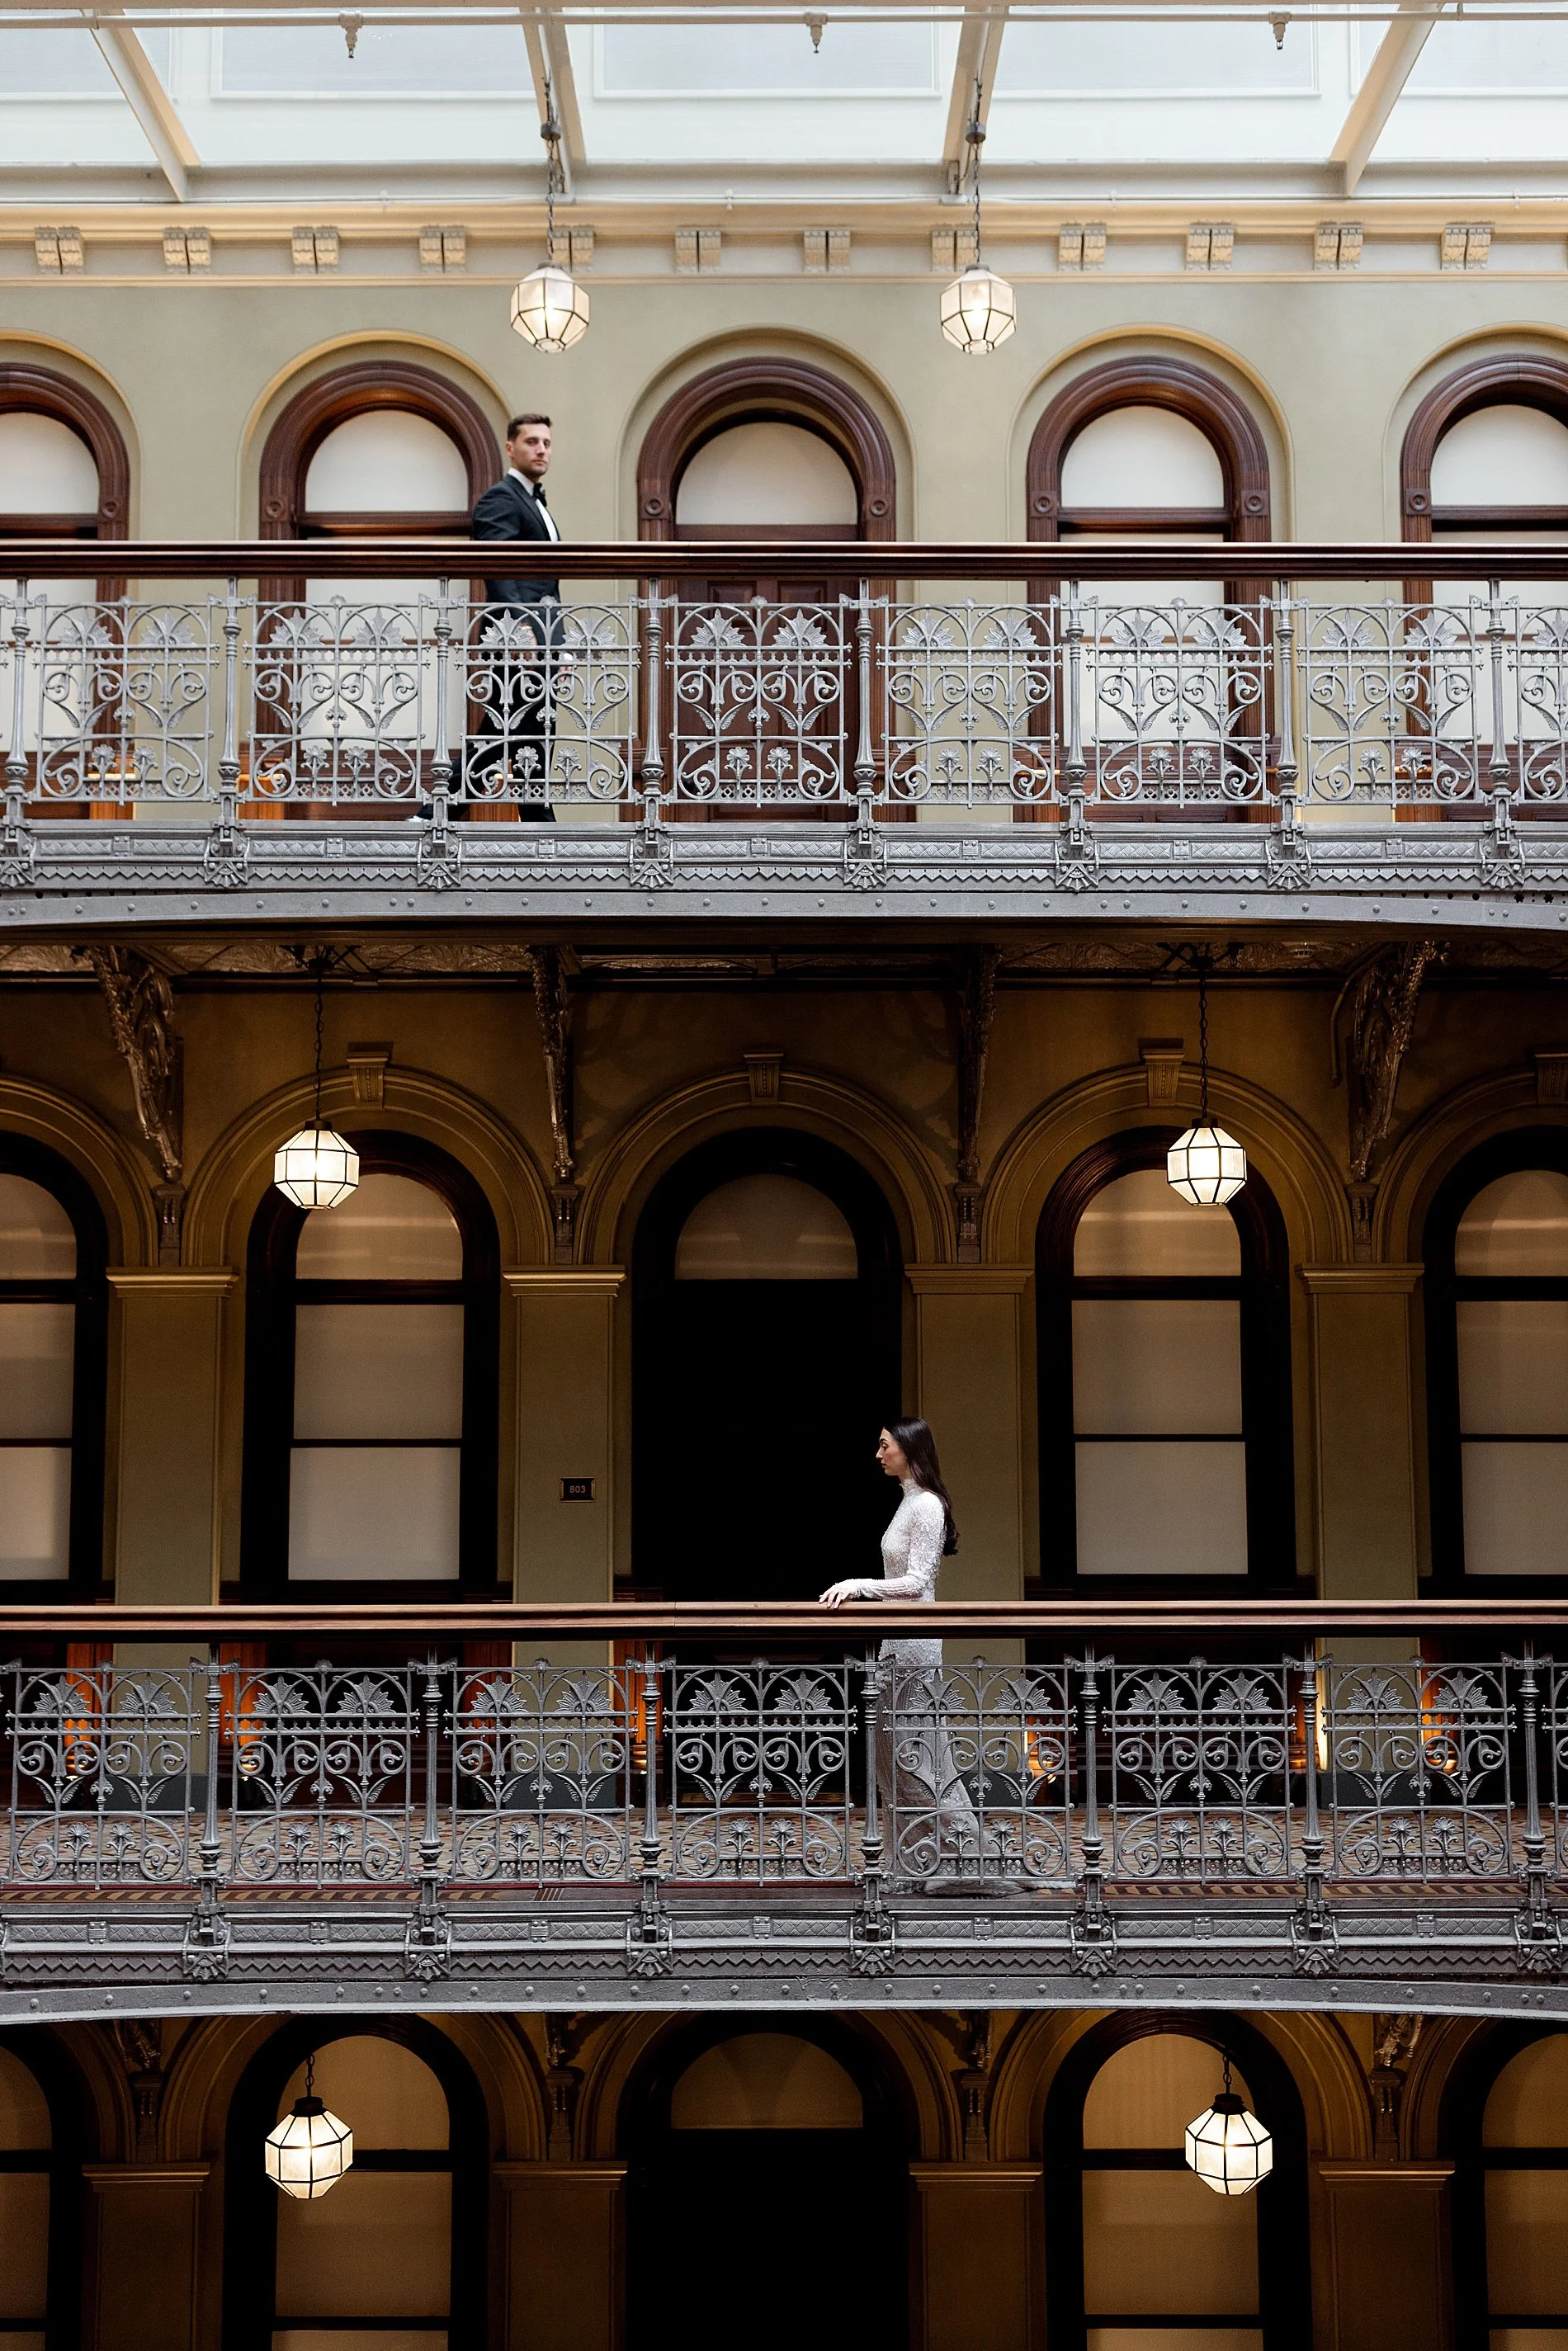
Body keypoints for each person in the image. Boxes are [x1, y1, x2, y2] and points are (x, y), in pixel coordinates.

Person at [820, 1419, 988, 1891]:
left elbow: (917, 1583)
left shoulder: (928, 1504)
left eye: (884, 1445)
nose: (878, 1454)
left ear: (909, 1449)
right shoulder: (908, 1501)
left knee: (915, 1755)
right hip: (895, 1640)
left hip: (915, 1643)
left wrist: (858, 1585)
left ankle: (964, 1857)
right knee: (891, 1757)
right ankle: (909, 1864)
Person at [464, 413, 564, 821]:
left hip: (542, 635)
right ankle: (538, 820)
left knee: (527, 726)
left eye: (546, 443)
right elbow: (498, 565)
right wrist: (519, 630)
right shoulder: (501, 498)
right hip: (518, 637)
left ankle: (536, 818)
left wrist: (559, 645)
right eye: (531, 442)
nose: (541, 450)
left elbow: (547, 584)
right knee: (513, 725)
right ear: (510, 448)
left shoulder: (535, 500)